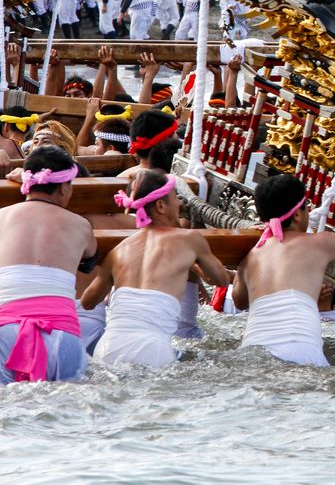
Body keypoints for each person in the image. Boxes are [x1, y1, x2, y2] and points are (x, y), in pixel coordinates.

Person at [81, 170, 230, 367]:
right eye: (175, 198)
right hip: (152, 349)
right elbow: (221, 281)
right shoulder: (190, 239)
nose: (179, 203)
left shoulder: (118, 251)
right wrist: (196, 267)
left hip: (107, 347)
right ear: (161, 206)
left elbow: (88, 302)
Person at [232, 173, 335, 365]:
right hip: (299, 349)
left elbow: (239, 301)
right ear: (298, 214)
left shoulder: (252, 256)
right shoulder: (318, 243)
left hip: (251, 350)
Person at [0, 146, 97, 383]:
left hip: (4, 330)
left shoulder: (2, 217)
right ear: (64, 188)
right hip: (62, 333)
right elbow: (89, 260)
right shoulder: (80, 225)